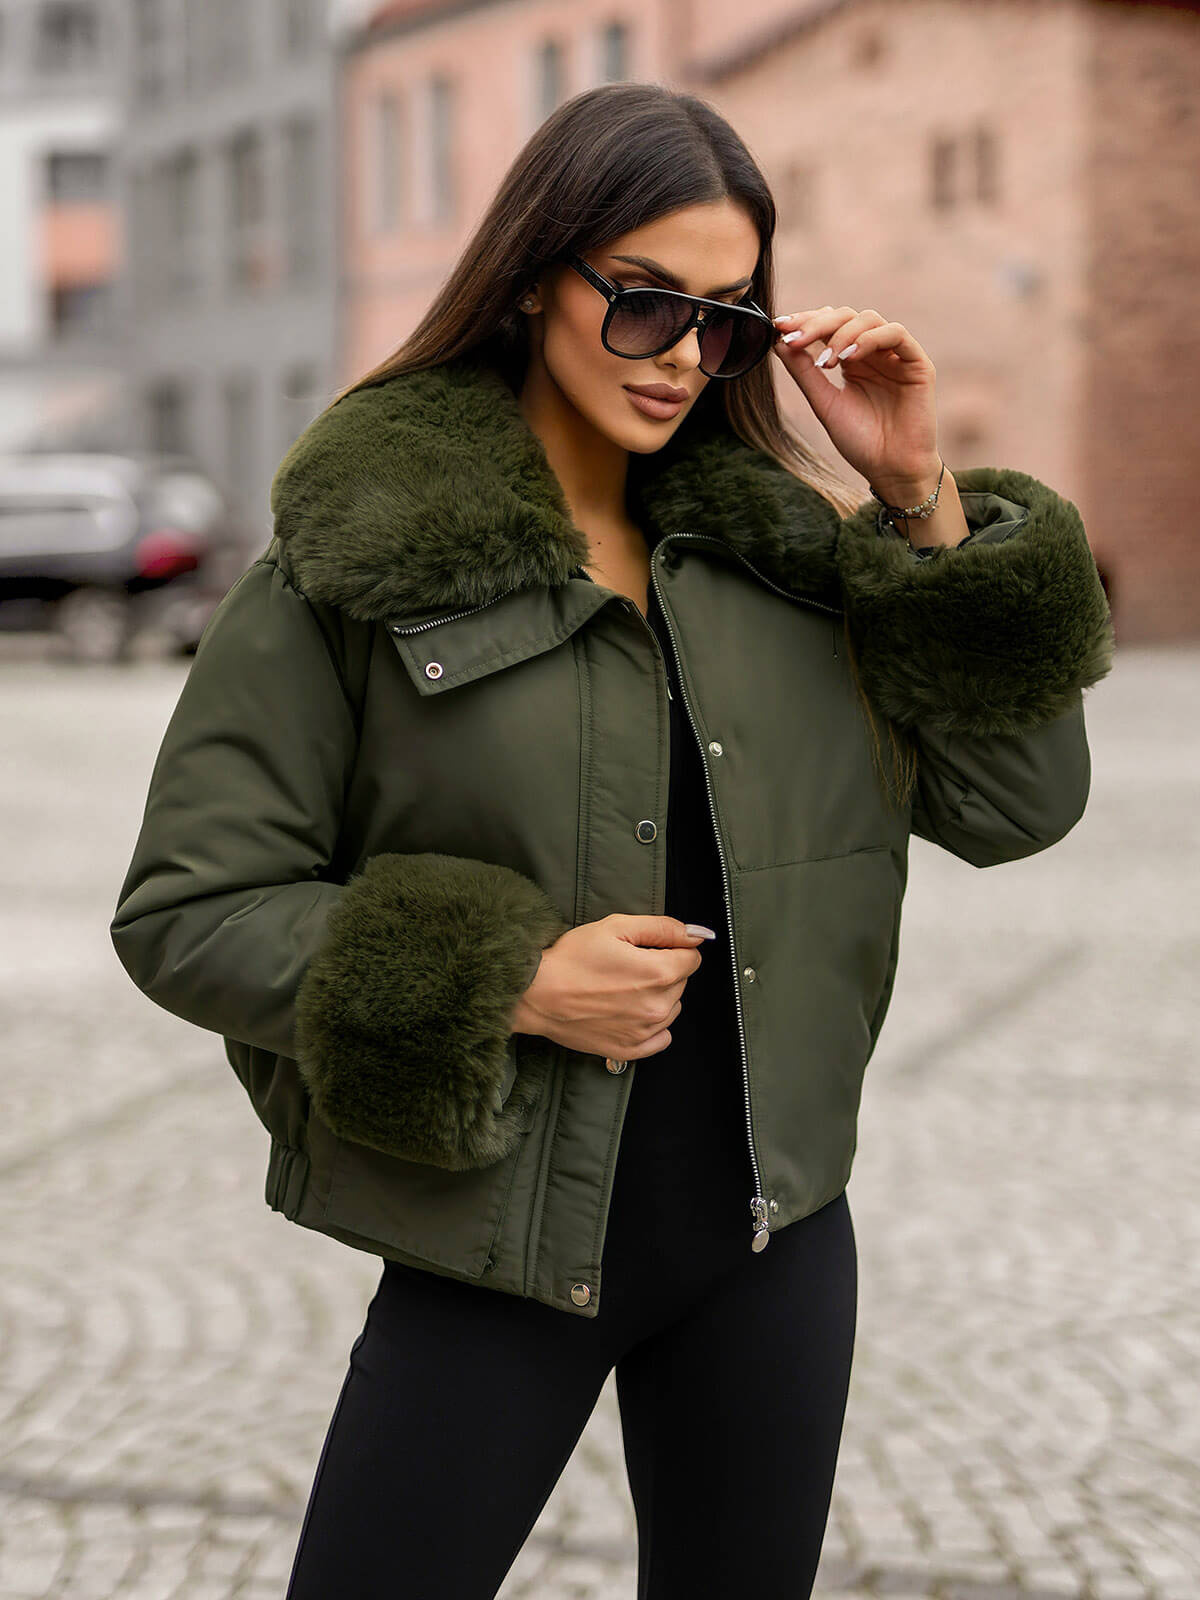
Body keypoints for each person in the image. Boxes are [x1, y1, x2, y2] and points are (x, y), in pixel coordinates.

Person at [109, 82, 1114, 1599]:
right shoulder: (361, 567)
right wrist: (507, 978)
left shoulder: (786, 566)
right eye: (645, 303)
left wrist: (919, 497)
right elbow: (189, 909)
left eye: (726, 318)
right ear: (533, 277)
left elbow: (1018, 806)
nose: (685, 357)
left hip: (773, 1247)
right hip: (495, 1251)